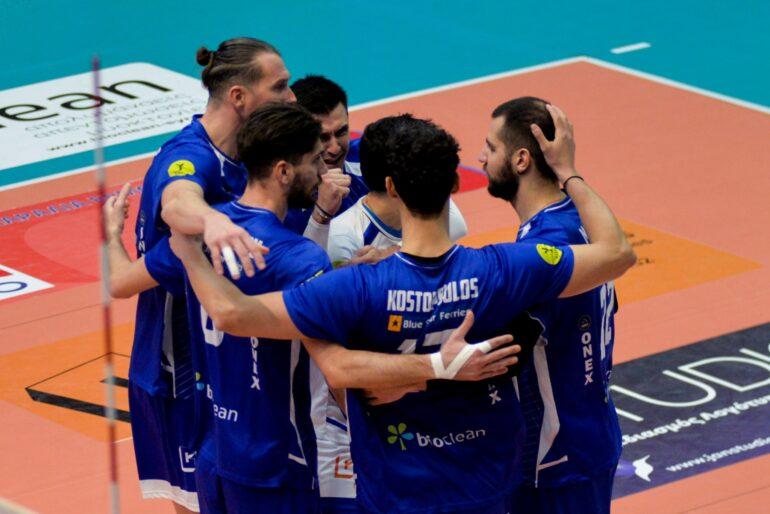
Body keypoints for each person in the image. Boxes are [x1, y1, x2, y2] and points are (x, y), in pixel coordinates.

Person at [168, 109, 636, 513]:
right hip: (488, 482)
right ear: (455, 184)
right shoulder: (504, 269)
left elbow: (231, 313)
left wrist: (187, 249)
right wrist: (568, 172)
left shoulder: (355, 288)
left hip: (397, 490)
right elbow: (616, 253)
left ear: (390, 187)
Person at [105, 103, 518, 514]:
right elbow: (337, 369)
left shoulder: (203, 232)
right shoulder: (300, 257)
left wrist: (111, 235)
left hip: (215, 451)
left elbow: (120, 282)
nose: (324, 172)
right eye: (315, 161)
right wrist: (418, 375)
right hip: (278, 460)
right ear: (284, 172)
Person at [118, 37, 348, 512]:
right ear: (239, 97)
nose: (291, 96)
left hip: (226, 377)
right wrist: (212, 223)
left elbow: (122, 279)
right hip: (181, 371)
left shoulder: (250, 161)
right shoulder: (193, 156)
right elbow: (178, 203)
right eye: (280, 86)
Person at [479, 97, 622, 514]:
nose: (481, 157)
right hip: (591, 434)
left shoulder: (546, 245)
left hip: (556, 458)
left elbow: (501, 349)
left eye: (491, 147)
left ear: (521, 159)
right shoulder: (584, 218)